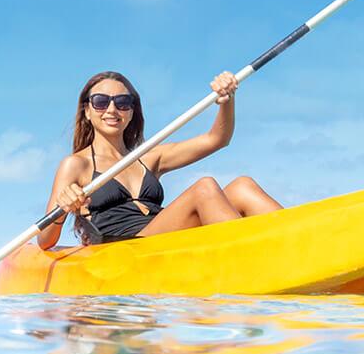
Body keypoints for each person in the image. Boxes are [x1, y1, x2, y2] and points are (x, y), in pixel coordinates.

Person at [36, 69, 282, 249]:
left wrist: (226, 101)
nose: (112, 110)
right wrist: (63, 208)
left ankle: (301, 242)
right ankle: (252, 256)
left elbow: (217, 139)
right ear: (87, 111)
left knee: (242, 186)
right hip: (124, 249)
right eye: (100, 102)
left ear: (132, 112)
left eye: (122, 102)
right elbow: (45, 241)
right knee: (204, 188)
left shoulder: (149, 157)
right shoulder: (77, 164)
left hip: (163, 239)